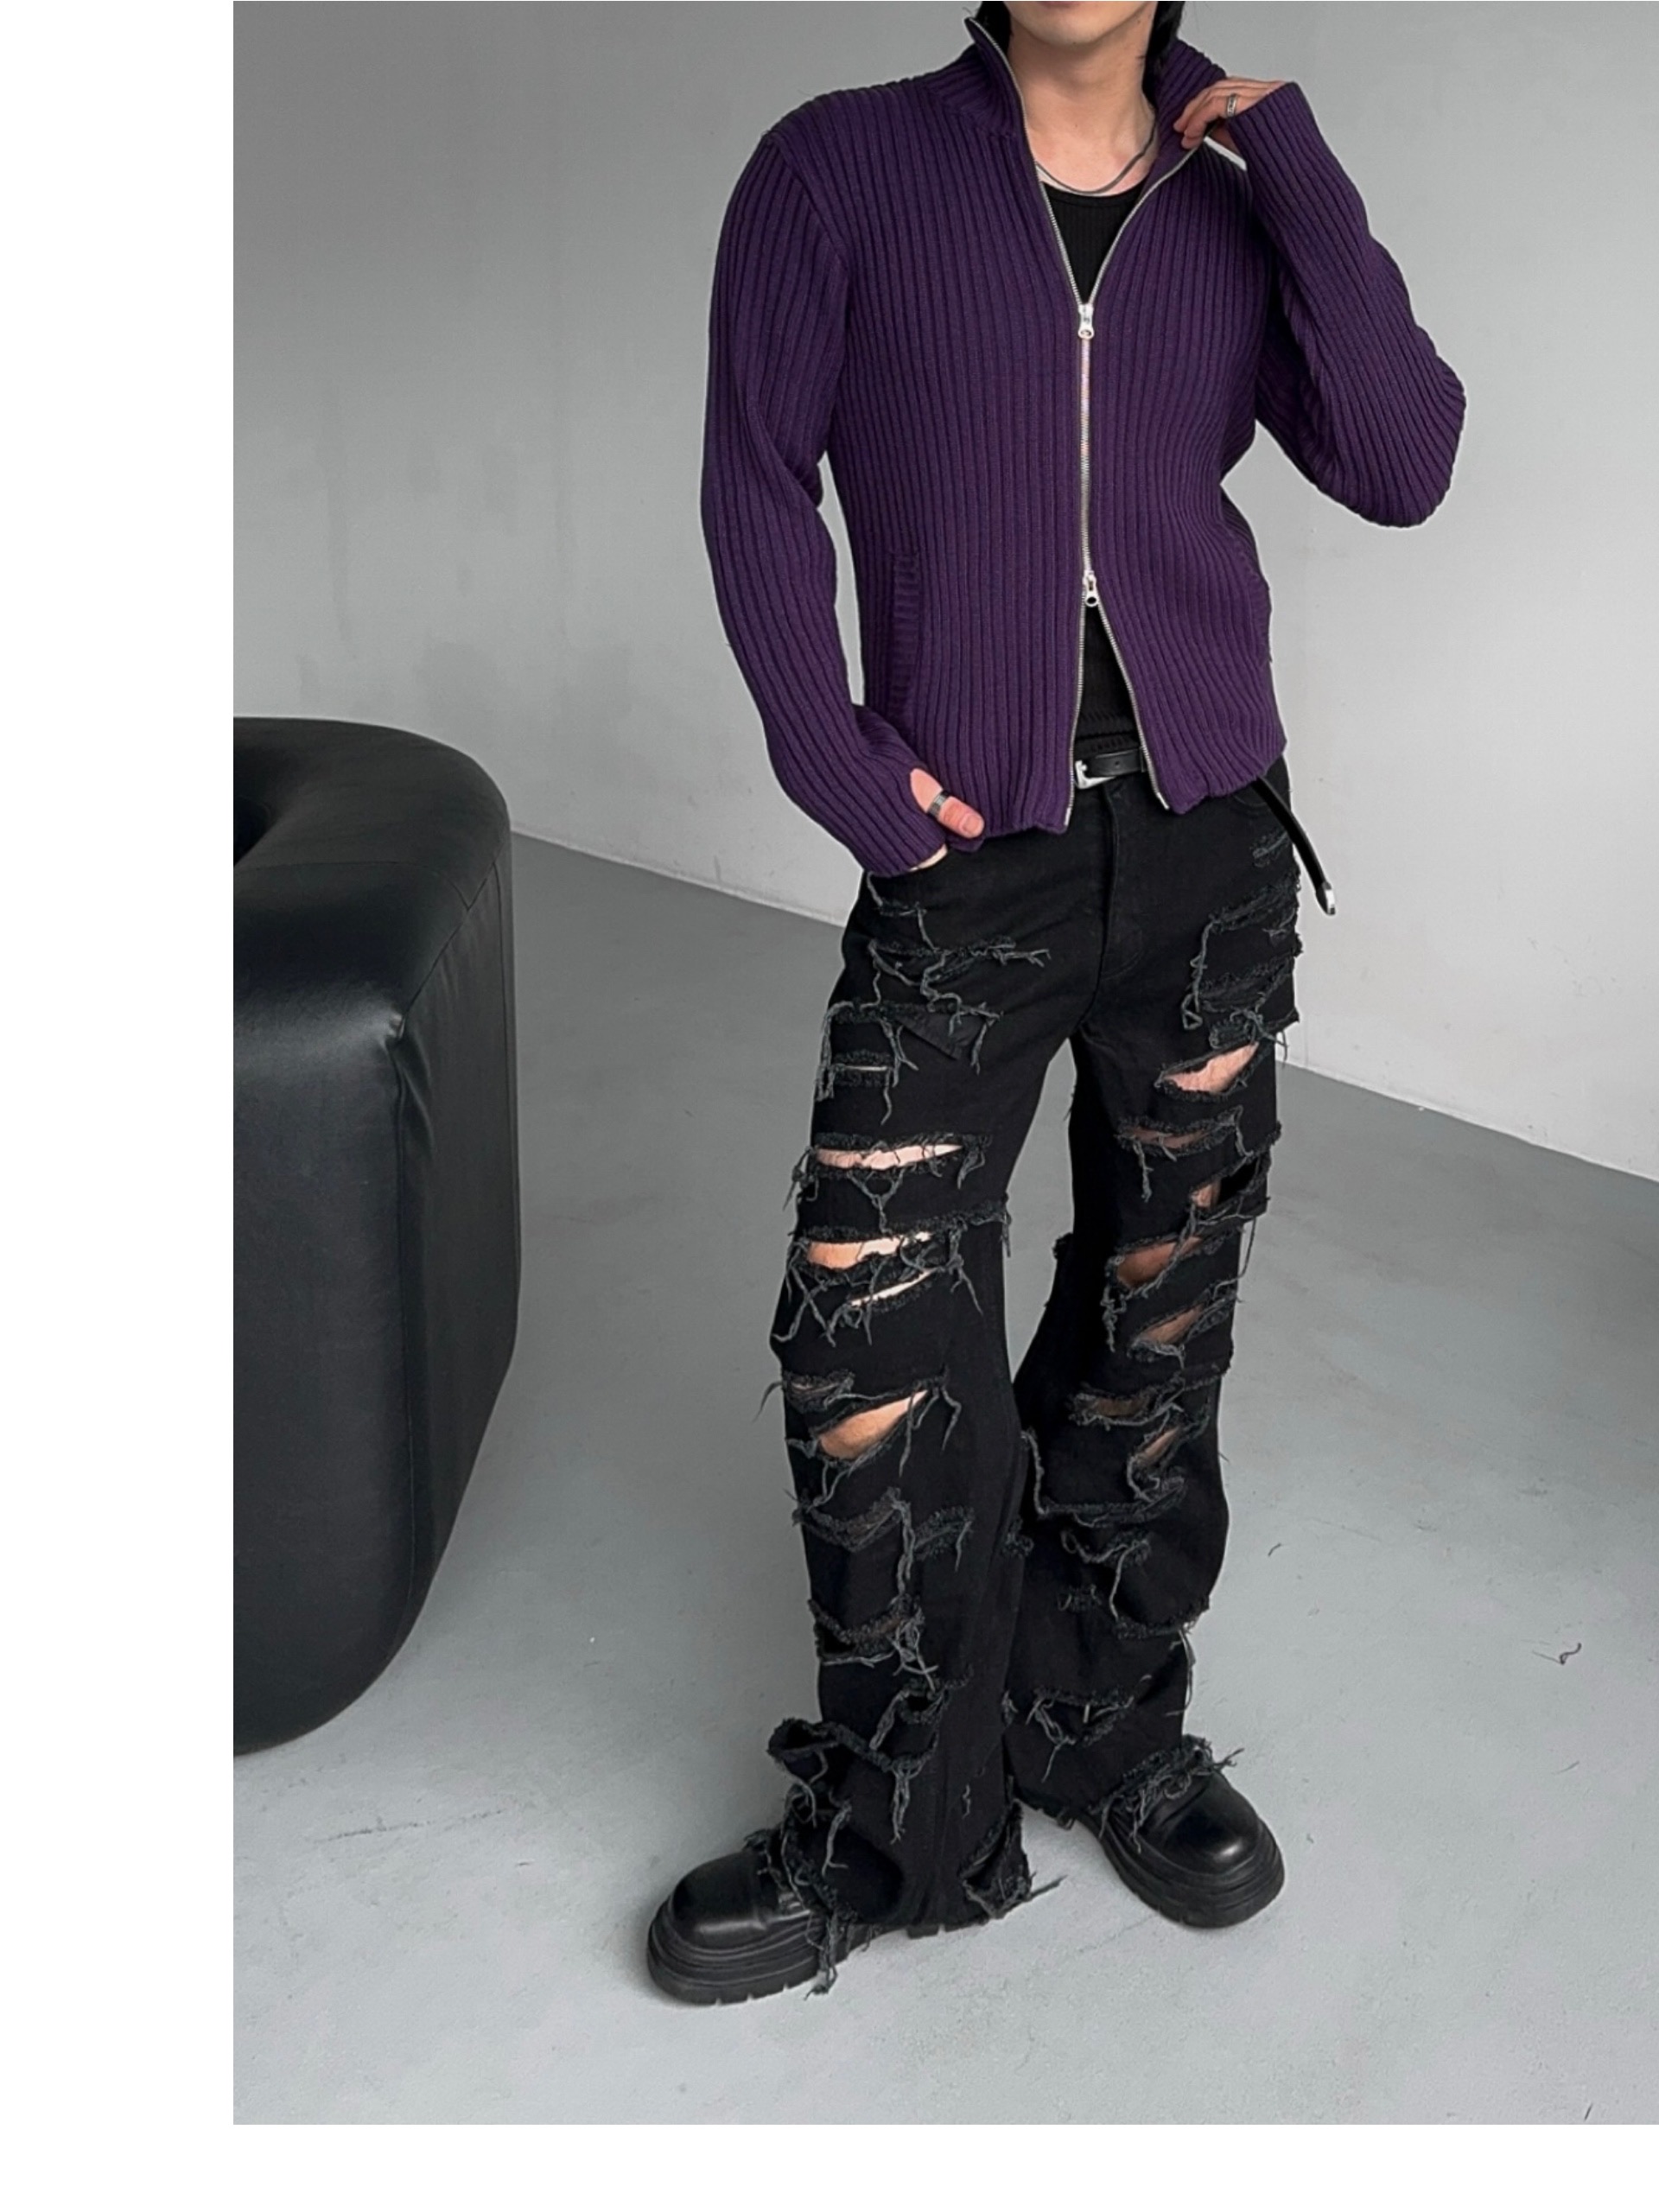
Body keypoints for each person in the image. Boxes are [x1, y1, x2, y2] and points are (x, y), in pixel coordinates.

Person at [646, 0, 1465, 2005]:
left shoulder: (1235, 196)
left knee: (1159, 1304)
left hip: (1207, 844)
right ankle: (893, 1816)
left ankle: (1097, 1716)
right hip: (969, 853)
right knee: (868, 1318)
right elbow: (755, 483)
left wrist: (1299, 172)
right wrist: (849, 774)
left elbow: (1402, 460)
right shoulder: (837, 168)